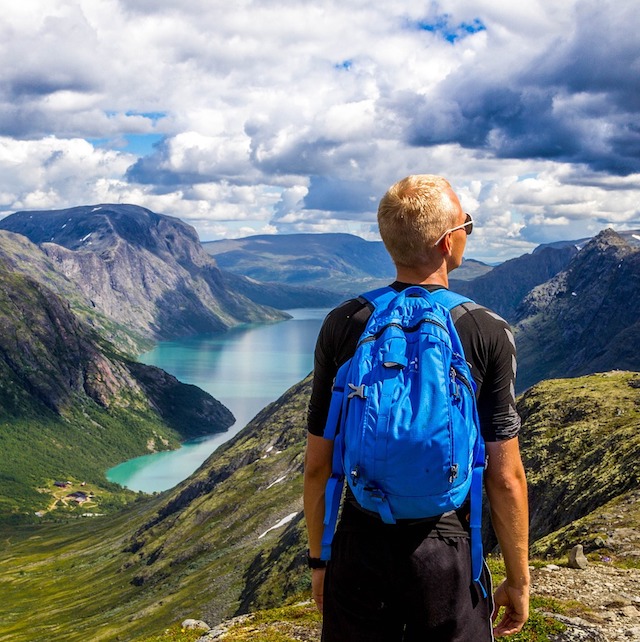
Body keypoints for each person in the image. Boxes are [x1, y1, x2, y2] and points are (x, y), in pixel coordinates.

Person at [303, 175, 529, 641]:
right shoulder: (486, 330)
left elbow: (318, 466)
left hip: (360, 540)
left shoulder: (345, 322)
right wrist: (518, 579)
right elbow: (505, 476)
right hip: (447, 547)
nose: (468, 231)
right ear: (449, 242)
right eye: (468, 223)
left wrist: (320, 561)